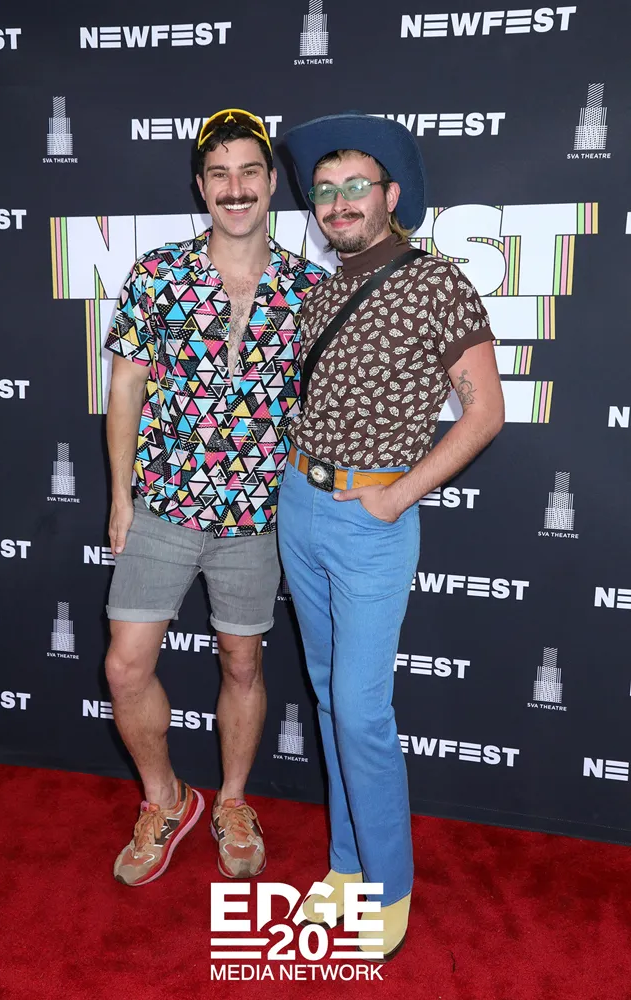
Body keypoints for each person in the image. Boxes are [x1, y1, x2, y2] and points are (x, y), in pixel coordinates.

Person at [281, 112, 504, 959]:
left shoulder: (436, 282)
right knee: (330, 697)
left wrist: (398, 495)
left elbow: (485, 412)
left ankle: (387, 886)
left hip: (371, 519)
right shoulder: (321, 288)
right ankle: (345, 868)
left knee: (361, 709)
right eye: (325, 191)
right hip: (299, 506)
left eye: (355, 187)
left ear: (391, 195)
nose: (339, 203)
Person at [103, 108, 327, 887]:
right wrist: (121, 496)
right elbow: (125, 388)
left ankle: (232, 801)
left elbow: (322, 408)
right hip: (163, 504)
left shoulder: (309, 288)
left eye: (250, 172)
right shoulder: (156, 273)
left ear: (271, 184)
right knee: (125, 667)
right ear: (201, 187)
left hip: (260, 517)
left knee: (242, 663)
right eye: (220, 174)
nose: (236, 188)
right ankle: (166, 801)